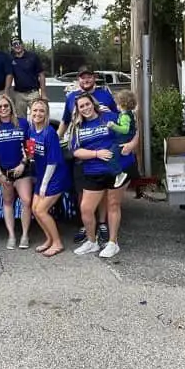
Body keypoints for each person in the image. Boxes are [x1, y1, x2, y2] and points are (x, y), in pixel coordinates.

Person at [59, 66, 118, 245]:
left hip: (103, 153)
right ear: (78, 79)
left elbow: (118, 118)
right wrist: (54, 141)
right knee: (82, 191)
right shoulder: (70, 97)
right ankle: (86, 225)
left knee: (102, 191)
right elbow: (65, 121)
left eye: (89, 77)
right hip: (82, 152)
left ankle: (102, 224)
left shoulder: (106, 96)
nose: (86, 80)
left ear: (94, 78)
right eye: (82, 77)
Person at [67, 92, 122, 258]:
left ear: (93, 103)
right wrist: (96, 154)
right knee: (86, 208)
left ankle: (113, 243)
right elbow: (76, 151)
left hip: (115, 169)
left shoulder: (109, 116)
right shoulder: (77, 127)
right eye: (81, 106)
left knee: (113, 205)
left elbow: (130, 131)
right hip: (93, 171)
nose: (85, 108)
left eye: (87, 104)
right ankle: (92, 241)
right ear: (78, 109)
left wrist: (128, 147)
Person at [0, 94, 31, 250]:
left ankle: (25, 235)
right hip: (3, 172)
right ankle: (11, 235)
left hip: (21, 169)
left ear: (11, 106)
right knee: (8, 202)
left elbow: (29, 148)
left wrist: (23, 164)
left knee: (26, 200)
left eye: (6, 106)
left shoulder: (23, 124)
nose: (3, 109)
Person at [25, 99, 68, 257]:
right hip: (42, 175)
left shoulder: (49, 132)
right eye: (35, 110)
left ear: (46, 114)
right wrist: (28, 156)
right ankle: (49, 239)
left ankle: (57, 243)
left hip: (55, 176)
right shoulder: (31, 130)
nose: (37, 113)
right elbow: (31, 152)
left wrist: (43, 185)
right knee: (35, 210)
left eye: (41, 111)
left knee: (42, 210)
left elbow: (53, 161)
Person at [107, 89, 139, 188]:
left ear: (122, 104)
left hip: (123, 140)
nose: (116, 106)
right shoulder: (126, 114)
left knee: (110, 156)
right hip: (124, 139)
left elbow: (125, 130)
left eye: (117, 104)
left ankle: (119, 173)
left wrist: (113, 126)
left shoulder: (125, 116)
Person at [8, 38, 46, 119]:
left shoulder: (33, 56)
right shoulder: (10, 59)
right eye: (14, 44)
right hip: (19, 95)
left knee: (37, 117)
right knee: (20, 120)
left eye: (19, 43)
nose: (17, 46)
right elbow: (10, 76)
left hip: (33, 93)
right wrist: (7, 92)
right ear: (12, 47)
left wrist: (43, 93)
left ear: (22, 44)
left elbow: (41, 74)